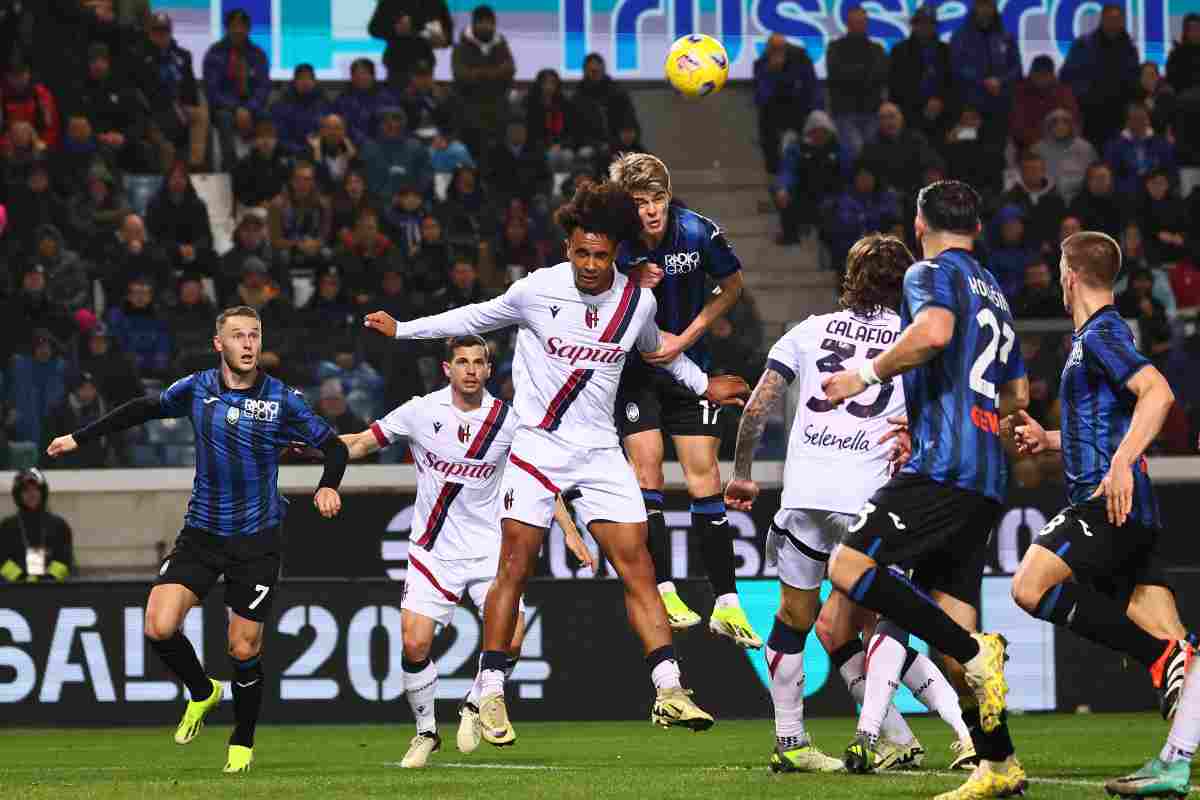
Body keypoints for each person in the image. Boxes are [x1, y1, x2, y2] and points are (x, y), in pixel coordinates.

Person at [362, 182, 750, 745]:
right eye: (581, 253)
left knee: (639, 566)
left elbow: (657, 349)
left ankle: (669, 690)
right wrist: (404, 330)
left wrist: (703, 384)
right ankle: (491, 691)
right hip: (537, 447)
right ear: (567, 247)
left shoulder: (636, 302)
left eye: (601, 255)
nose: (590, 265)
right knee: (514, 566)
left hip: (599, 452)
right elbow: (473, 316)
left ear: (615, 253)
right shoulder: (535, 290)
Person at [45, 305, 348, 774]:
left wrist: (328, 484)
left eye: (254, 335)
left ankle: (242, 742)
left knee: (243, 648)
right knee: (158, 626)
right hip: (202, 533)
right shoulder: (197, 387)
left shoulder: (282, 399)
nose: (248, 343)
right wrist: (79, 437)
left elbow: (334, 446)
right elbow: (144, 409)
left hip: (256, 540)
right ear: (218, 344)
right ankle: (203, 690)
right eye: (238, 335)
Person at [726, 233, 975, 774]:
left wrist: (742, 475)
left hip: (806, 498)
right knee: (887, 618)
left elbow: (757, 407)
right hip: (870, 499)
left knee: (795, 619)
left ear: (849, 279)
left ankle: (791, 741)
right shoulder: (917, 340)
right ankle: (911, 734)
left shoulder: (809, 330)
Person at [822, 180, 1029, 799]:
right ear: (979, 228)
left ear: (919, 224)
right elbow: (1017, 394)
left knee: (848, 566)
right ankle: (999, 764)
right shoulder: (996, 292)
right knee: (949, 641)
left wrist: (862, 375)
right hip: (987, 475)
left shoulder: (929, 273)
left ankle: (977, 652)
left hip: (944, 468)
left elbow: (934, 333)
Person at [338, 335, 587, 766]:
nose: (470, 370)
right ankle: (426, 732)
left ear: (489, 370)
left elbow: (540, 480)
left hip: (489, 549)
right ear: (447, 369)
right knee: (414, 644)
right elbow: (361, 443)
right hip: (432, 550)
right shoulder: (420, 411)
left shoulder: (509, 421)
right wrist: (316, 446)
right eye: (462, 362)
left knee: (512, 640)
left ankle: (474, 703)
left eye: (478, 362)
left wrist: (570, 531)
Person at [1010, 230, 1194, 744]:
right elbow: (1104, 424)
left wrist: (1121, 463)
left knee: (1029, 586)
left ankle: (1158, 658)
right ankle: (1176, 705)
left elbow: (1158, 393)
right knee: (1179, 644)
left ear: (1069, 277)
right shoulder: (1092, 339)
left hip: (1108, 504)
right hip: (1127, 508)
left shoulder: (1101, 334)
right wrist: (1049, 439)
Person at [607, 153, 757, 645]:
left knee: (704, 476)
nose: (651, 210)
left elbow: (732, 286)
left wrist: (687, 337)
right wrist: (628, 286)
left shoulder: (698, 232)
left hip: (689, 363)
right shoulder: (612, 244)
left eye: (658, 199)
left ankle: (727, 604)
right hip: (635, 372)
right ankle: (664, 591)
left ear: (669, 197)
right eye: (640, 202)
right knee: (647, 471)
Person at [133, 12, 208, 170]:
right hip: (154, 112)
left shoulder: (183, 55)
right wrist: (173, 109)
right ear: (149, 32)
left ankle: (194, 165)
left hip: (180, 108)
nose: (161, 35)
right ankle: (169, 177)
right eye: (157, 31)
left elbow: (190, 88)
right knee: (167, 148)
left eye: (165, 31)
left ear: (170, 31)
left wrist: (184, 107)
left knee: (201, 113)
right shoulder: (139, 56)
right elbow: (146, 90)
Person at [1060, 3, 1141, 149]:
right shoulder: (1083, 44)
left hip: (1119, 112)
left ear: (1123, 22)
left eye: (1118, 19)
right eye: (1110, 19)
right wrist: (1084, 96)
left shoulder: (1130, 49)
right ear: (1102, 19)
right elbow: (1067, 75)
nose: (1114, 23)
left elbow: (1134, 78)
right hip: (1090, 112)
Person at [203, 9, 271, 168]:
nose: (238, 30)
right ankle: (231, 168)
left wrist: (249, 108)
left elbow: (263, 87)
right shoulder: (215, 53)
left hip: (252, 107)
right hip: (224, 107)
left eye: (242, 26)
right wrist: (236, 108)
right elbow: (212, 91)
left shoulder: (258, 54)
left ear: (248, 29)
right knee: (224, 118)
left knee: (268, 118)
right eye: (234, 26)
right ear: (227, 28)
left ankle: (263, 166)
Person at [949, 0, 1021, 146]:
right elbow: (956, 67)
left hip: (1000, 107)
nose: (985, 9)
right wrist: (983, 82)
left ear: (994, 8)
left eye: (988, 5)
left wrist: (1000, 81)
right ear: (974, 7)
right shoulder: (960, 36)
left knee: (997, 148)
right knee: (967, 146)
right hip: (970, 107)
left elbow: (1017, 68)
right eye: (981, 4)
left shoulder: (1006, 36)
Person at [451, 6, 516, 161]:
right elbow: (462, 75)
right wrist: (495, 73)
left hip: (498, 113)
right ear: (474, 24)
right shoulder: (461, 47)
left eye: (490, 23)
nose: (486, 26)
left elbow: (510, 70)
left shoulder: (501, 45)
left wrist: (478, 74)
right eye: (482, 23)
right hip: (469, 113)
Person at [826, 7, 888, 159]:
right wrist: (864, 73)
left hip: (872, 111)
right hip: (844, 111)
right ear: (847, 24)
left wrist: (852, 73)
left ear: (866, 24)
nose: (858, 25)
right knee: (854, 153)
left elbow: (880, 75)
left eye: (861, 22)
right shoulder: (834, 47)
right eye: (854, 22)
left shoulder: (877, 49)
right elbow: (837, 75)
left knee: (872, 155)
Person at [752, 33, 820, 174]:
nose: (778, 52)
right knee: (773, 158)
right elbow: (762, 95)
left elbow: (810, 87)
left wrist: (814, 110)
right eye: (774, 48)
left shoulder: (800, 61)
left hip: (799, 113)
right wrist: (772, 71)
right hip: (771, 117)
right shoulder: (761, 65)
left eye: (781, 48)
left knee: (802, 155)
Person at [887, 7, 954, 144]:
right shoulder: (899, 51)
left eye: (930, 23)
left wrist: (941, 100)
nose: (925, 27)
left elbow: (952, 83)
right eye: (921, 23)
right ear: (914, 25)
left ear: (935, 26)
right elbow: (895, 86)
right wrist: (922, 103)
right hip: (909, 117)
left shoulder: (946, 51)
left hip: (942, 117)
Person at [0, 468, 73, 583]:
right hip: (16, 589)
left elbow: (65, 561)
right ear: (17, 495)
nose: (31, 494)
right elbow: (2, 561)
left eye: (35, 489)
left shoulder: (59, 526)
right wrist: (20, 579)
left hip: (52, 589)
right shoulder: (7, 527)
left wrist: (48, 580)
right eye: (26, 490)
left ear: (43, 492)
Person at [368, 0, 453, 87]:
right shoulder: (390, 2)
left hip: (424, 63)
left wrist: (443, 40)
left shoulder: (436, 2)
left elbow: (449, 33)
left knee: (423, 94)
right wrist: (395, 29)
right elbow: (374, 28)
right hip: (397, 63)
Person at [1103, 102, 1176, 196]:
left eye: (1143, 119)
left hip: (1157, 194)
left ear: (1148, 120)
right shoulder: (1114, 146)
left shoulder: (1162, 144)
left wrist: (1163, 184)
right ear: (1127, 122)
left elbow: (1171, 173)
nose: (1140, 123)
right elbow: (1111, 175)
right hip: (1125, 195)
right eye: (1135, 119)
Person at [1010, 55, 1080, 152]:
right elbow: (1018, 126)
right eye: (1037, 75)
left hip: (1060, 145)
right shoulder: (1021, 92)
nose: (1040, 79)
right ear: (1031, 73)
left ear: (1052, 75)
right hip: (1028, 147)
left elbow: (1073, 122)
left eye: (1044, 75)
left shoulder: (1064, 93)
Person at [1033, 108, 1098, 205]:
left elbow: (1093, 176)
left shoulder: (1085, 148)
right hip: (1046, 198)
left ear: (1072, 126)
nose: (1060, 126)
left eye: (1065, 122)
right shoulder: (1038, 149)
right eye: (1055, 123)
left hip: (1080, 198)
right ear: (1048, 126)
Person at [333, 58, 401, 147]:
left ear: (373, 75)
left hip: (383, 144)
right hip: (352, 145)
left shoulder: (387, 98)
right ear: (352, 77)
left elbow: (394, 123)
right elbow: (344, 126)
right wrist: (362, 141)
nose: (361, 77)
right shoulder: (343, 99)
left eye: (364, 73)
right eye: (356, 74)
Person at [270, 64, 331, 158]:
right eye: (301, 78)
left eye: (309, 78)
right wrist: (299, 151)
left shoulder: (324, 104)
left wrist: (316, 149)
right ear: (294, 82)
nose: (305, 82)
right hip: (289, 155)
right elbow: (279, 136)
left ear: (314, 82)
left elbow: (329, 133)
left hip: (319, 154)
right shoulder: (281, 105)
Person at [232, 118, 292, 210]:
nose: (266, 141)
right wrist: (259, 203)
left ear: (276, 141)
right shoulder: (245, 164)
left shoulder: (283, 162)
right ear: (255, 141)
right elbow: (240, 194)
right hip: (252, 209)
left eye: (270, 137)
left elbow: (288, 188)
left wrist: (283, 198)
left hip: (276, 208)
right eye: (261, 137)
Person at [1166, 13, 1200, 96]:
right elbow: (1171, 79)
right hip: (1183, 95)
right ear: (1186, 31)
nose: (1195, 32)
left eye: (1197, 28)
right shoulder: (1176, 53)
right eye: (1191, 29)